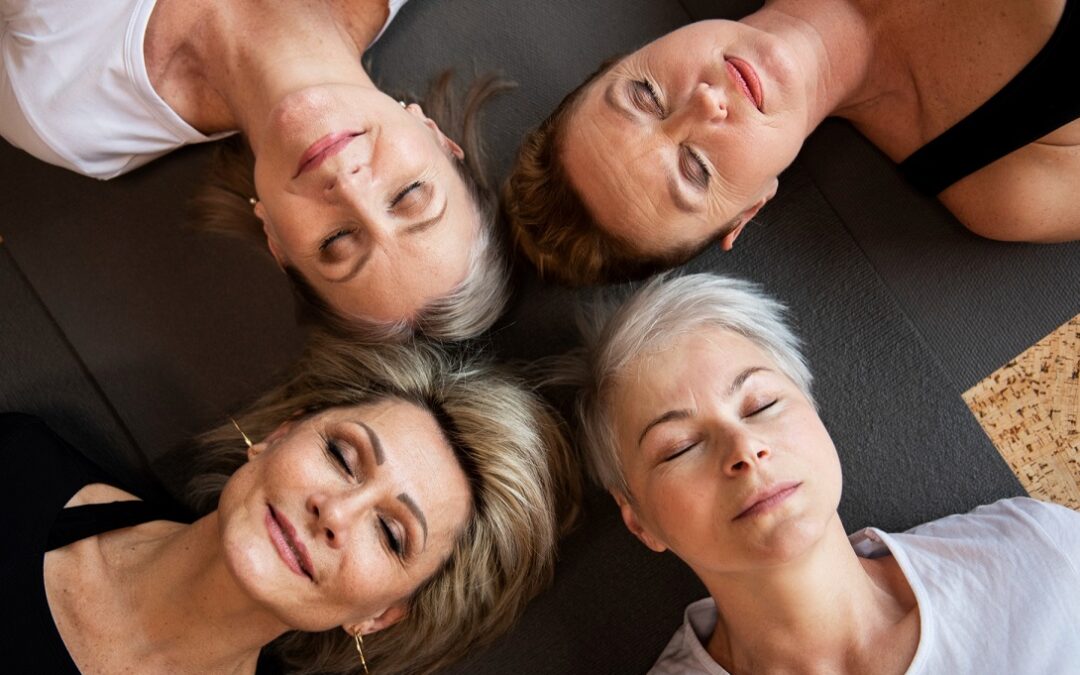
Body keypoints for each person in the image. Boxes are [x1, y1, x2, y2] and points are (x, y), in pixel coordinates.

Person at [569, 273, 1080, 673]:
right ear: (639, 521)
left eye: (761, 404)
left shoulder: (1039, 555)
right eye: (680, 447)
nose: (745, 449)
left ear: (815, 413)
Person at [1, 334, 580, 674]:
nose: (336, 512)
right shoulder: (17, 462)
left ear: (379, 616)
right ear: (279, 435)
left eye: (391, 534)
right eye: (343, 456)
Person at [1, 0, 510, 340]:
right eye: (409, 195)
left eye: (336, 242)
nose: (349, 188)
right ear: (435, 136)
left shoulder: (69, 119)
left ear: (275, 239)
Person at [504, 0, 1080, 285]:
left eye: (647, 96)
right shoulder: (1005, 182)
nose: (705, 104)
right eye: (695, 168)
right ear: (751, 208)